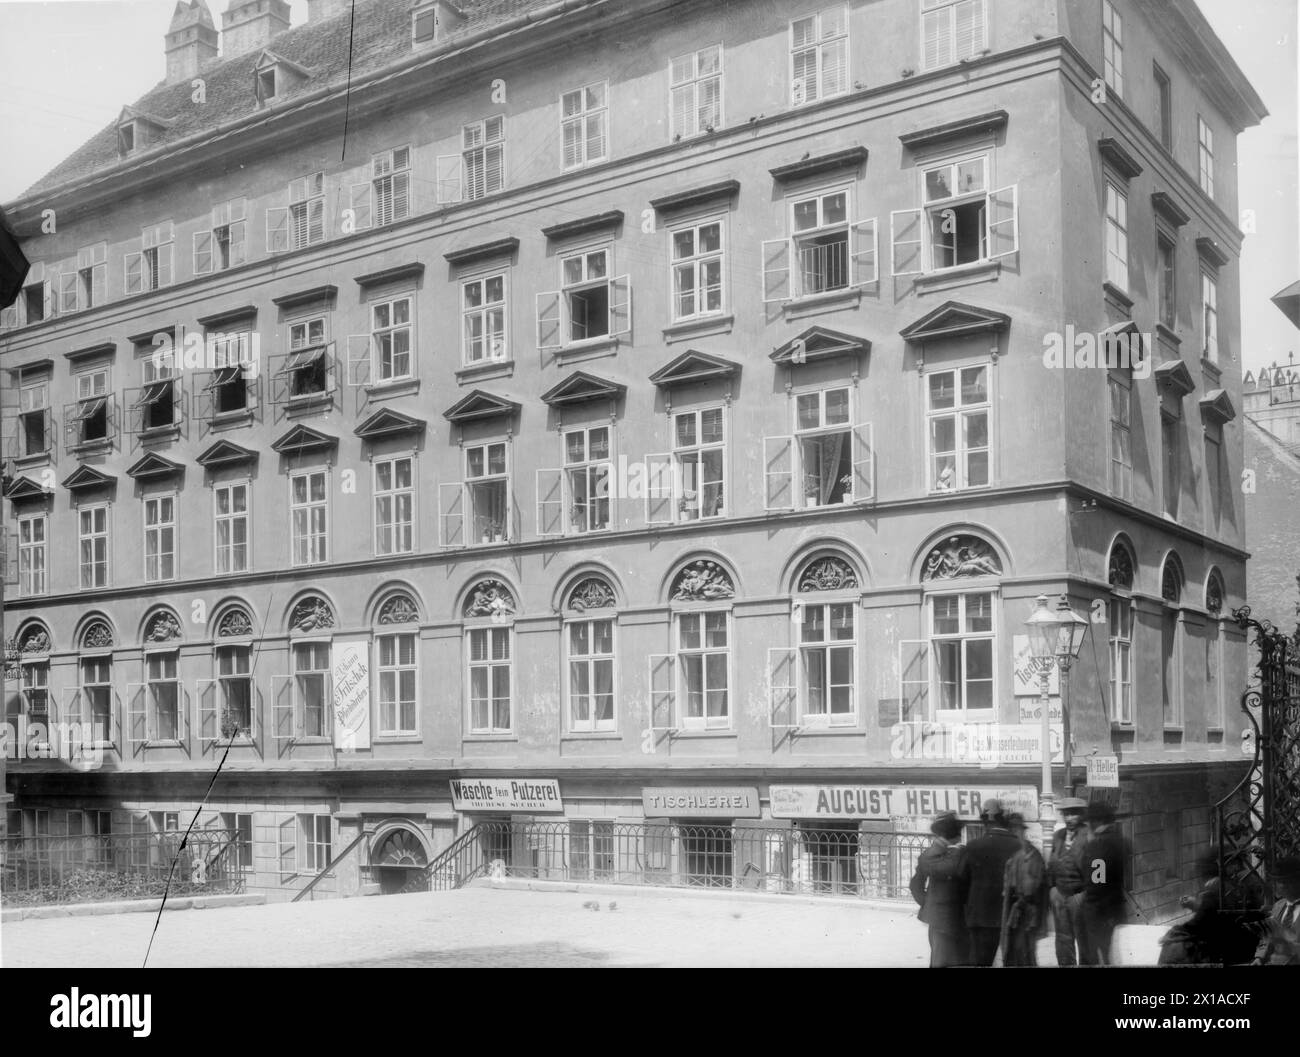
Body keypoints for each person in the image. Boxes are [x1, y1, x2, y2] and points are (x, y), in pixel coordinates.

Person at [963, 798, 1022, 966]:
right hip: (1011, 916)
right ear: (1003, 819)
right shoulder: (1019, 846)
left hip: (980, 916)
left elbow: (962, 880)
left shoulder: (973, 846)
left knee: (981, 962)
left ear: (984, 821)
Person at [909, 811, 969, 967]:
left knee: (940, 959)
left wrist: (928, 904)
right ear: (954, 833)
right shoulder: (956, 853)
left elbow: (915, 885)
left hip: (939, 918)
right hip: (953, 918)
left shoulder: (933, 854)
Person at [1078, 801, 1130, 965]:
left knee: (1094, 957)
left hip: (1097, 912)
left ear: (1097, 821)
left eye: (1090, 821)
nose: (1089, 825)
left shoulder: (1098, 845)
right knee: (1110, 956)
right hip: (1115, 908)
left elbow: (1097, 882)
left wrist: (1087, 905)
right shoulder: (1122, 841)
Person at [1047, 796, 1089, 966]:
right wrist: (1053, 891)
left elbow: (1100, 869)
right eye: (1066, 814)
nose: (1070, 818)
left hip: (1080, 895)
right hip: (1060, 894)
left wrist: (1091, 895)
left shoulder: (1091, 836)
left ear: (1081, 815)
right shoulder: (1058, 836)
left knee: (1084, 938)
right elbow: (1051, 863)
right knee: (1063, 938)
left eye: (1074, 814)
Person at [1001, 813, 1047, 966]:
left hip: (1025, 910)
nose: (1014, 833)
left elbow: (1033, 884)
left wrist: (1020, 902)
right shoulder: (1015, 853)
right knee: (1013, 950)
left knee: (1024, 951)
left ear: (1022, 831)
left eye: (1017, 829)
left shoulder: (1031, 853)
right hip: (1014, 908)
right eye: (1011, 830)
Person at [1252, 855, 1300, 965]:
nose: (1283, 886)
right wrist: (1259, 957)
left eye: (1288, 881)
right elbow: (1267, 936)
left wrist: (1291, 948)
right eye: (1279, 881)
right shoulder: (1278, 906)